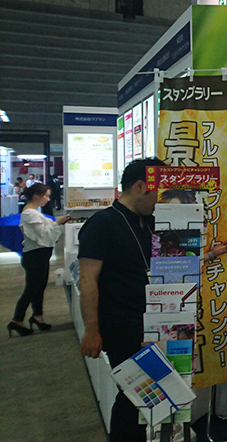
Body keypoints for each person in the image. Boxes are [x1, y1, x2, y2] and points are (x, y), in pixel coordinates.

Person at [79, 157, 167, 442]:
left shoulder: (150, 222)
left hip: (154, 323)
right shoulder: (102, 224)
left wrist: (211, 254)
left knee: (149, 396)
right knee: (133, 397)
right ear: (140, 186)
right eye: (157, 192)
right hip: (121, 325)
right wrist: (91, 330)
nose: (159, 200)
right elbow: (87, 280)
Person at [7, 184, 70, 337]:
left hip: (39, 255)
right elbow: (43, 234)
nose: (48, 199)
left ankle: (37, 316)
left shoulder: (34, 212)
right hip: (35, 256)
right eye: (46, 196)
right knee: (32, 288)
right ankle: (17, 320)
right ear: (36, 195)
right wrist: (56, 223)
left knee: (38, 287)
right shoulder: (30, 214)